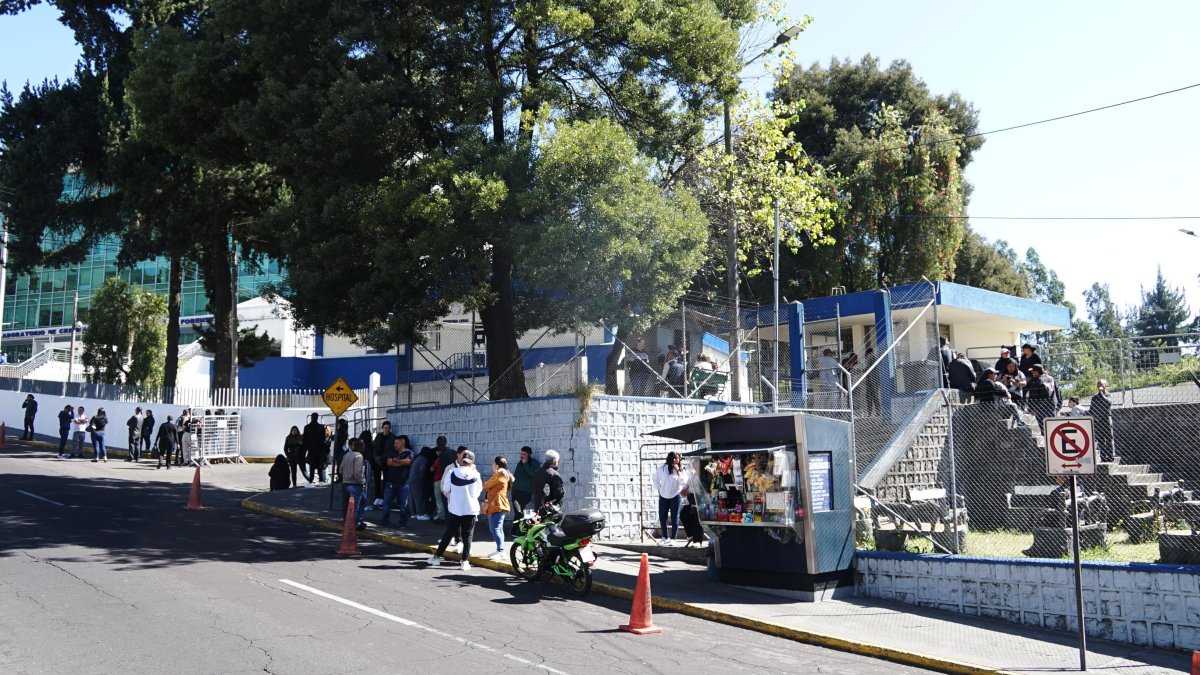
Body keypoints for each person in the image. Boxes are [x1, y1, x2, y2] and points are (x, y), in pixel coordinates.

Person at [427, 449, 482, 571]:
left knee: (448, 534)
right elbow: (477, 493)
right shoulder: (476, 474)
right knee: (468, 537)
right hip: (471, 509)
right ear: (472, 462)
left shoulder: (452, 472)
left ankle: (436, 557)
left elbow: (446, 489)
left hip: (456, 509)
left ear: (462, 460)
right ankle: (465, 562)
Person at [652, 451, 689, 546]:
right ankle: (665, 537)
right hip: (663, 496)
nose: (677, 460)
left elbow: (684, 482)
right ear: (671, 459)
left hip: (675, 496)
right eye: (676, 458)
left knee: (674, 517)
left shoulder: (681, 469)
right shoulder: (662, 468)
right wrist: (659, 489)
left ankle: (673, 538)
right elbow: (655, 479)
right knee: (662, 517)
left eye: (678, 458)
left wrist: (678, 471)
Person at [481, 456, 513, 560]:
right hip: (499, 505)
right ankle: (500, 549)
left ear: (497, 465)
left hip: (498, 505)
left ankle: (501, 551)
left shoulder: (499, 474)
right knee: (497, 528)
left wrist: (486, 486)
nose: (492, 466)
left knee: (495, 529)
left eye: (493, 464)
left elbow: (486, 486)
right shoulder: (503, 474)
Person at [380, 435, 414, 528]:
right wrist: (400, 463)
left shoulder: (409, 452)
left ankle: (403, 523)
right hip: (390, 482)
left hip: (403, 483)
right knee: (386, 503)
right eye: (394, 443)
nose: (395, 445)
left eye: (397, 443)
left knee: (404, 505)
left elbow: (408, 462)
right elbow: (389, 462)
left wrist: (396, 461)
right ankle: (384, 522)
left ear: (402, 443)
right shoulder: (391, 452)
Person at [340, 439, 368, 530]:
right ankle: (356, 522)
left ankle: (347, 521)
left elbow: (340, 470)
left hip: (345, 483)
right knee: (357, 505)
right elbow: (357, 473)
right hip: (355, 484)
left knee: (347, 505)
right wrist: (362, 481)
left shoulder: (346, 455)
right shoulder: (359, 456)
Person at [1091, 379, 1117, 462]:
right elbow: (1092, 408)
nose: (1099, 386)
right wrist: (1094, 417)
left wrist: (1102, 394)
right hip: (1098, 420)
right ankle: (1103, 457)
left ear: (1106, 385)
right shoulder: (1094, 397)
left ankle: (1110, 456)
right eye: (1098, 384)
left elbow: (1108, 403)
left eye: (1101, 384)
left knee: (1109, 437)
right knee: (1101, 439)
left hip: (1106, 418)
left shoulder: (1108, 395)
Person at [371, 421, 395, 508]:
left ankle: (383, 497)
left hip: (386, 461)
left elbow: (391, 451)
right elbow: (374, 447)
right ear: (382, 428)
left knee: (385, 480)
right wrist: (376, 457)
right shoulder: (379, 436)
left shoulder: (392, 438)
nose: (387, 430)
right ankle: (377, 496)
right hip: (377, 460)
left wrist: (381, 458)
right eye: (385, 428)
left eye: (388, 428)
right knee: (377, 479)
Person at [406, 445, 434, 521]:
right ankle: (420, 514)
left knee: (411, 496)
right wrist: (423, 478)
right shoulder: (424, 459)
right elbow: (422, 470)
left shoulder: (417, 458)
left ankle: (413, 514)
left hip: (411, 478)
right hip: (417, 480)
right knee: (418, 497)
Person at [433, 436, 456, 521]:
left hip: (447, 480)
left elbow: (444, 470)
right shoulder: (453, 452)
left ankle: (446, 519)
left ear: (438, 444)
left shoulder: (442, 455)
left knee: (444, 500)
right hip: (456, 479)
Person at [511, 446, 538, 514]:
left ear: (529, 455)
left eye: (524, 454)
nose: (522, 456)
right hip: (516, 492)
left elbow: (532, 474)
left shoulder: (534, 463)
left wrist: (525, 463)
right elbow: (516, 475)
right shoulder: (520, 463)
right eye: (521, 454)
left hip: (525, 492)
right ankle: (517, 524)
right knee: (517, 512)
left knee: (521, 513)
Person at [301, 413, 327, 485]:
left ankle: (311, 481)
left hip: (311, 449)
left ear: (311, 418)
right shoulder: (321, 427)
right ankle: (321, 480)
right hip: (319, 449)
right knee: (319, 465)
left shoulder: (307, 427)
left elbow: (304, 440)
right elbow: (323, 439)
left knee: (312, 466)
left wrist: (304, 450)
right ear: (317, 418)